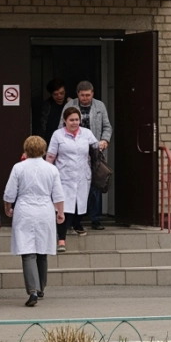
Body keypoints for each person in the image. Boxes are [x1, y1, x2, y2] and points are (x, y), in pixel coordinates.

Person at [3, 135, 66, 307]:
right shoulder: (51, 169)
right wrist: (60, 212)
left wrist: (8, 207)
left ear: (26, 149)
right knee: (42, 249)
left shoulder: (19, 168)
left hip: (24, 209)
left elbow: (9, 192)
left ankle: (32, 290)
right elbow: (58, 194)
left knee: (27, 250)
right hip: (45, 209)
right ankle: (41, 287)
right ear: (44, 150)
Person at [47, 107, 99, 250]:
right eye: (71, 120)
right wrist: (46, 173)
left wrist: (101, 145)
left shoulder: (86, 133)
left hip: (83, 175)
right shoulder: (58, 135)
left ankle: (76, 224)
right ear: (65, 121)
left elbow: (96, 149)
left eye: (77, 120)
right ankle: (61, 239)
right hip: (64, 176)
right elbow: (51, 156)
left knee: (80, 205)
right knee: (63, 208)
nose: (75, 123)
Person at [62, 81, 112, 230]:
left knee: (96, 183)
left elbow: (107, 126)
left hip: (95, 150)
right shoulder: (69, 106)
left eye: (88, 95)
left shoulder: (99, 106)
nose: (85, 98)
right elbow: (61, 126)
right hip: (74, 150)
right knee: (75, 185)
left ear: (93, 93)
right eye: (82, 95)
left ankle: (95, 219)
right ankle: (74, 219)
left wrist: (104, 140)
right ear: (77, 94)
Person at [37, 78, 69, 143]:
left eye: (62, 93)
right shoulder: (46, 107)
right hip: (50, 141)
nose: (59, 96)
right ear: (51, 94)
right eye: (56, 94)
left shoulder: (70, 104)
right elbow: (42, 128)